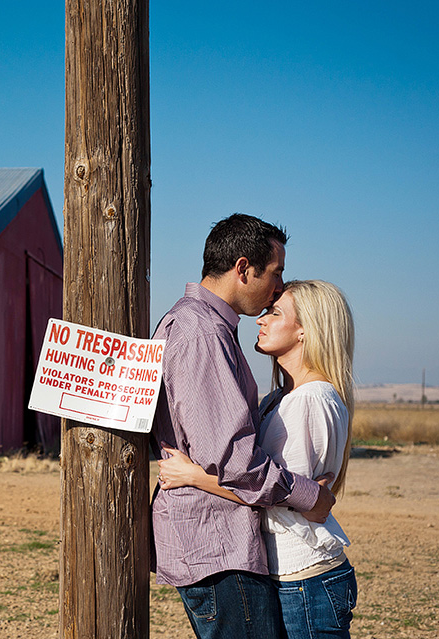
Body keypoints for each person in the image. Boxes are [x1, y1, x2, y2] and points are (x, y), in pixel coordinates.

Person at [150, 214, 336, 639]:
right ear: (242, 268)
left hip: (216, 543)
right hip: (218, 546)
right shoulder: (201, 333)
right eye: (276, 272)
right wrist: (310, 496)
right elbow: (233, 460)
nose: (280, 286)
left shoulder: (202, 326)